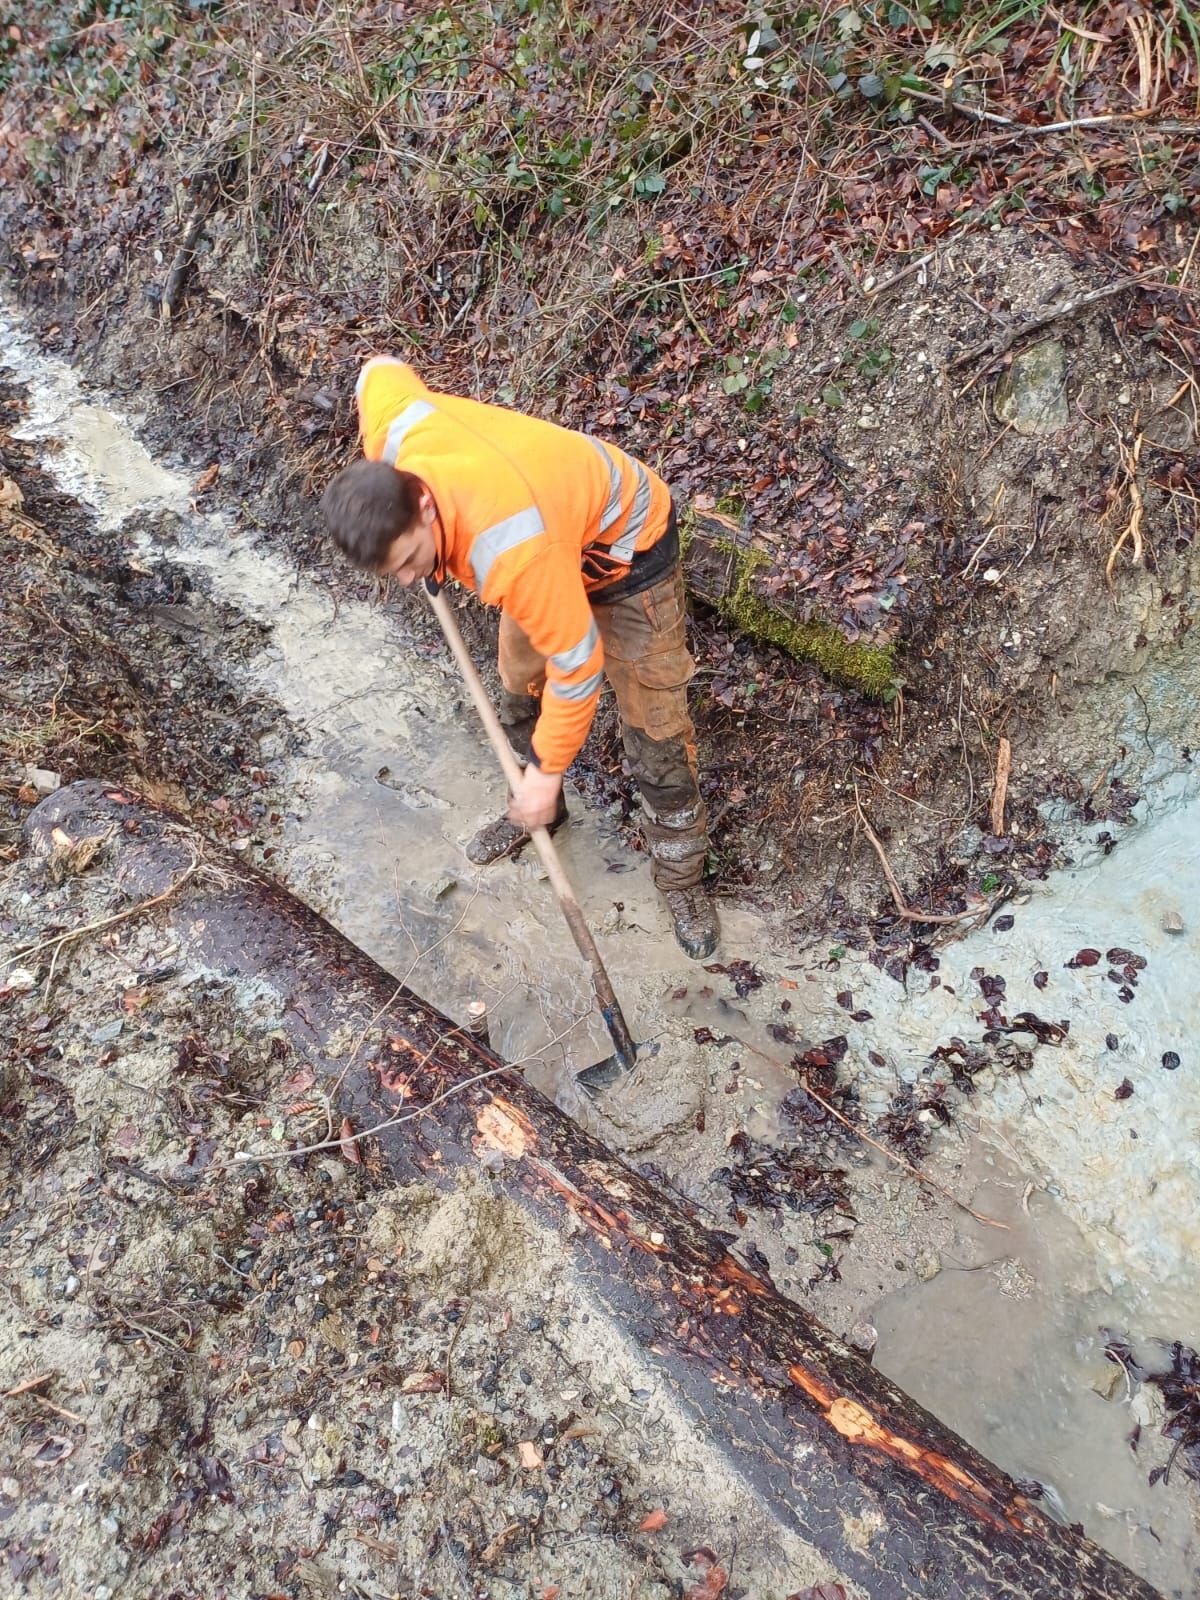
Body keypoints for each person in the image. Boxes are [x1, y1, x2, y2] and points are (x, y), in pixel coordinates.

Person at [320, 356, 719, 960]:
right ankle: (541, 813)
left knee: (654, 730)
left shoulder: (509, 549)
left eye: (408, 561)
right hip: (551, 538)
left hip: (625, 551)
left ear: (424, 504)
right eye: (393, 571)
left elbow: (579, 666)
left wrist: (550, 766)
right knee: (516, 687)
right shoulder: (395, 437)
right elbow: (377, 370)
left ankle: (681, 877)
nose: (407, 582)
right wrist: (542, 783)